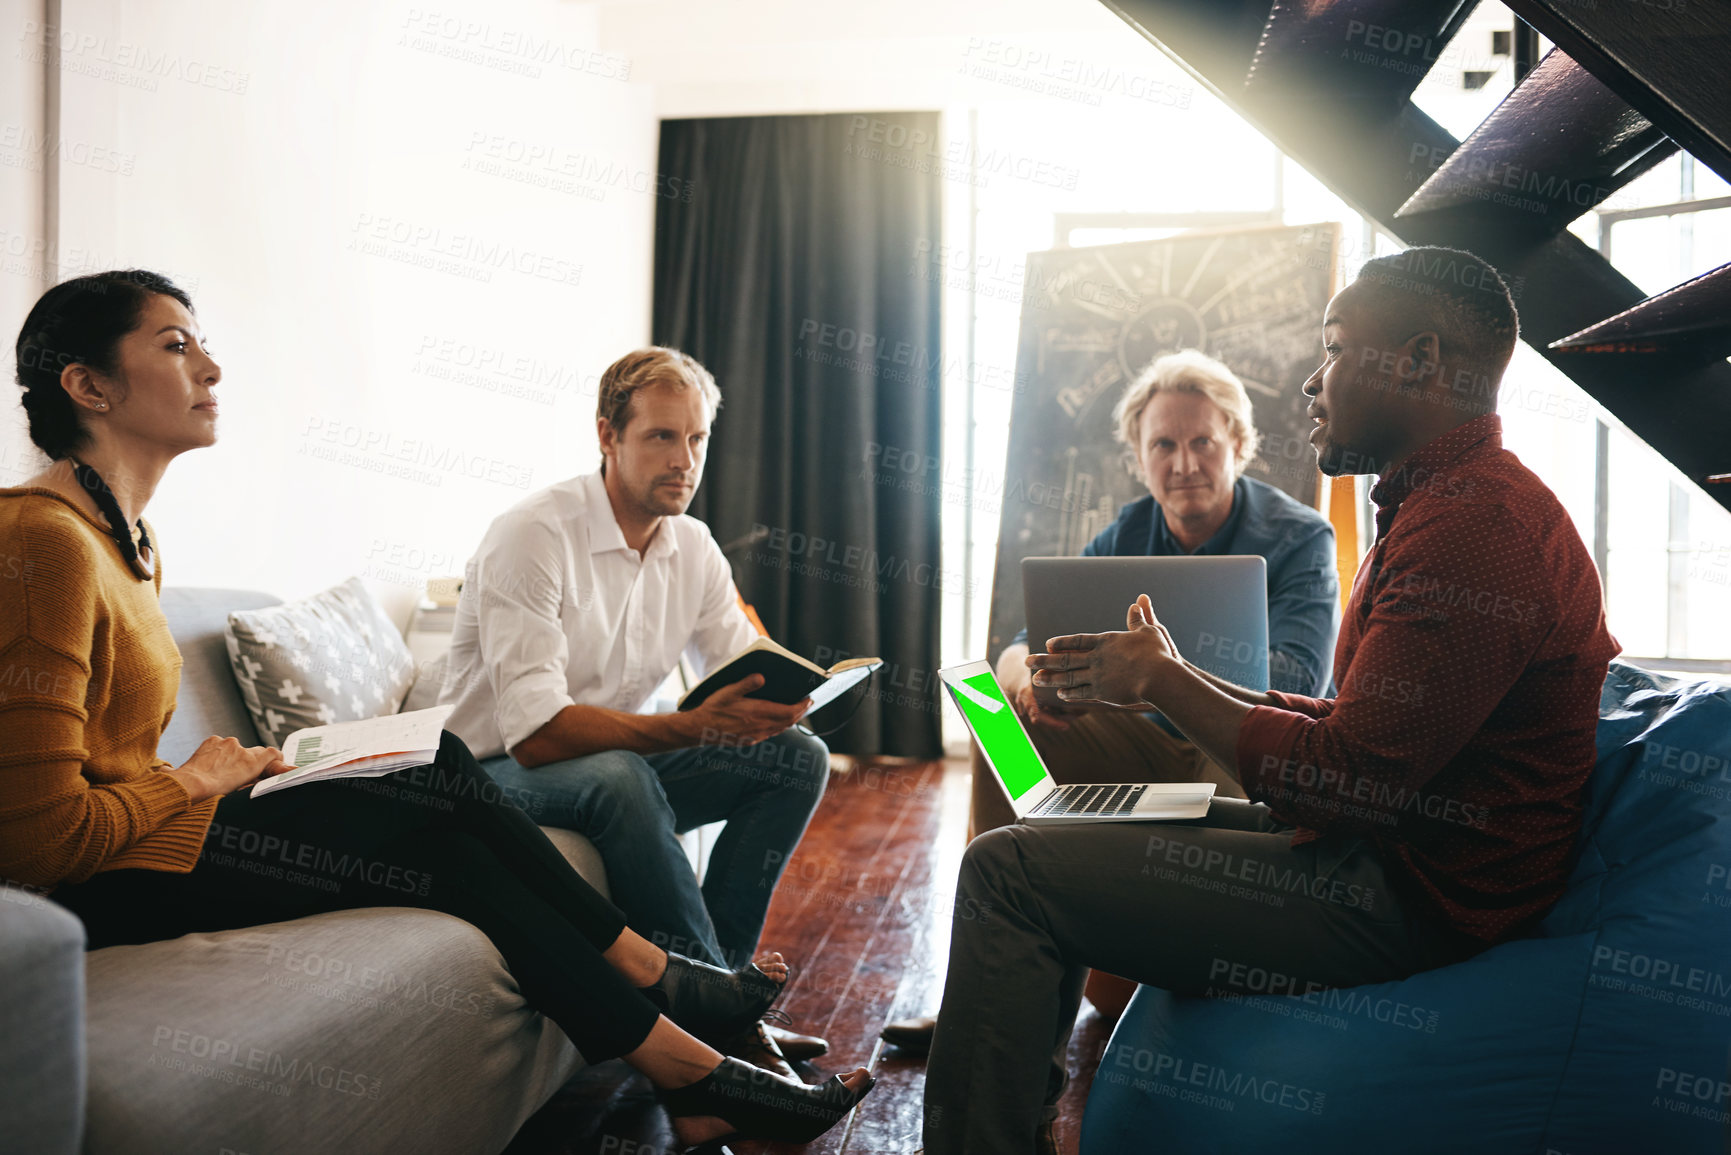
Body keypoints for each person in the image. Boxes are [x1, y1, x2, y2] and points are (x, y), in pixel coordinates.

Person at [0, 270, 873, 1153]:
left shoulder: (125, 538)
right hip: (105, 882)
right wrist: (193, 776)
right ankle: (680, 1005)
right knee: (482, 776)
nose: (213, 368)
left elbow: (106, 756)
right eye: (177, 345)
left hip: (173, 824)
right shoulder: (43, 541)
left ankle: (689, 1062)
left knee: (443, 798)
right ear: (89, 385)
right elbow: (38, 844)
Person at [920, 247, 1620, 1155]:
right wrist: (1149, 669)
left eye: (1332, 349)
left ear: (1415, 358)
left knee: (1006, 874)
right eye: (1162, 446)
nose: (1311, 381)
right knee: (1032, 825)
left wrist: (1163, 681)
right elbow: (1351, 728)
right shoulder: (1442, 504)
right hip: (1382, 843)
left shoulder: (1468, 532)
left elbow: (1344, 782)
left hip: (1410, 893)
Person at [883, 348, 1341, 1055]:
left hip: (1236, 753)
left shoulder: (1299, 536)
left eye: (1202, 442)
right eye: (1163, 443)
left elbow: (1299, 681)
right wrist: (1024, 678)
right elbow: (1027, 638)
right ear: (1137, 454)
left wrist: (1158, 673)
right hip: (1147, 744)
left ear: (1238, 446)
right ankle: (982, 993)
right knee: (987, 704)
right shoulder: (1128, 531)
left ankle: (1182, 994)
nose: (1184, 462)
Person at [440, 346, 832, 1077]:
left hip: (599, 770)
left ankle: (723, 994)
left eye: (696, 438)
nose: (683, 458)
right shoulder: (533, 533)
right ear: (606, 436)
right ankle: (728, 1036)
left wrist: (788, 700)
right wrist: (694, 726)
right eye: (659, 436)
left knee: (795, 757)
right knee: (621, 774)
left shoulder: (693, 544)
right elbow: (536, 733)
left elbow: (741, 662)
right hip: (486, 775)